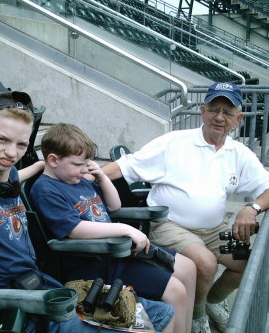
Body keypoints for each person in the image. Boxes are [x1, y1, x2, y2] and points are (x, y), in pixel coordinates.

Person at [0, 92, 175, 333]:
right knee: (143, 326)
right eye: (2, 140)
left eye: (21, 145)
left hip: (46, 289)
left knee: (161, 313)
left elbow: (9, 178)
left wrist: (39, 166)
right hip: (19, 309)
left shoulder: (6, 181)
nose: (12, 152)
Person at [101, 82, 269, 333]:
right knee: (206, 263)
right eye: (213, 109)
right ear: (202, 110)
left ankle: (210, 302)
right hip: (169, 224)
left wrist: (251, 208)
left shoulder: (239, 153)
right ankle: (197, 318)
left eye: (228, 112)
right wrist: (79, 177)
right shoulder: (175, 142)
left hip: (212, 229)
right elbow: (125, 167)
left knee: (246, 263)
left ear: (238, 119)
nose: (219, 117)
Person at [30, 123, 196, 333]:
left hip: (119, 252)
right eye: (77, 164)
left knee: (189, 268)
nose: (84, 170)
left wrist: (101, 176)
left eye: (86, 164)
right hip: (96, 263)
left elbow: (114, 205)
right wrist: (126, 229)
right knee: (177, 292)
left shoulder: (77, 179)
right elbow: (75, 229)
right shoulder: (46, 189)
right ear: (53, 160)